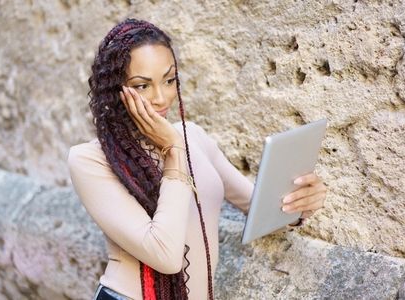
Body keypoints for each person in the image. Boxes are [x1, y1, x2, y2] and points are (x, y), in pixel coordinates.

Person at [68, 18, 326, 300]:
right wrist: (174, 151)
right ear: (115, 90)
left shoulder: (193, 137)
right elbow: (165, 256)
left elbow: (259, 210)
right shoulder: (90, 160)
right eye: (142, 86)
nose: (160, 97)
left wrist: (300, 204)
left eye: (169, 80)